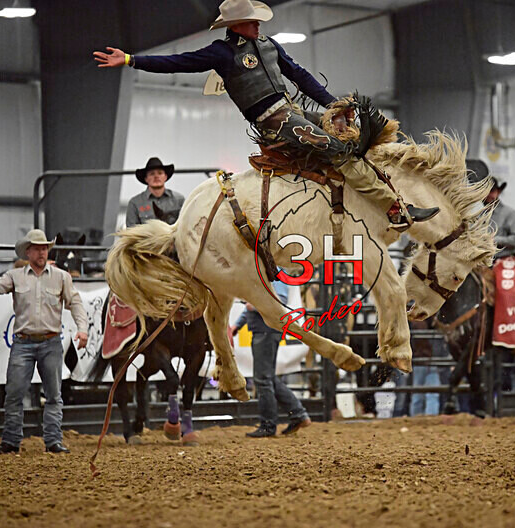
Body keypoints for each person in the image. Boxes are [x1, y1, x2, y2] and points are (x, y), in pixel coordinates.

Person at [94, 0, 438, 230]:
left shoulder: (271, 46)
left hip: (292, 110)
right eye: (253, 21)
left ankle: (375, 196)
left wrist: (335, 106)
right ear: (238, 25)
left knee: (350, 132)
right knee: (339, 148)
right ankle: (394, 209)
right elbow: (176, 62)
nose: (259, 24)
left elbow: (300, 76)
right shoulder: (221, 53)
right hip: (273, 121)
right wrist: (130, 59)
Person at [0, 230, 89, 454]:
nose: (42, 252)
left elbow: (76, 304)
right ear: (28, 252)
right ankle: (11, 440)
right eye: (37, 248)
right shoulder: (15, 276)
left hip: (50, 342)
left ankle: (53, 441)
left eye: (44, 248)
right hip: (24, 342)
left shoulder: (61, 276)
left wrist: (82, 329)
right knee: (14, 393)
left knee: (53, 395)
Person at [230, 280, 311, 437]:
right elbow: (253, 305)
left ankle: (269, 425)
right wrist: (238, 325)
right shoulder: (267, 274)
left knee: (263, 379)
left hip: (266, 331)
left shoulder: (274, 275)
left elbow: (279, 301)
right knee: (267, 377)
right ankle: (298, 415)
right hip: (265, 330)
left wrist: (253, 306)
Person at [480, 170, 515, 391]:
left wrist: (495, 239)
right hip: (482, 262)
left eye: (492, 190)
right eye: (486, 191)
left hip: (504, 261)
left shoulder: (510, 214)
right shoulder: (478, 215)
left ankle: (510, 332)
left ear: (498, 191)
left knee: (507, 293)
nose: (489, 195)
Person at [126, 157, 186, 227]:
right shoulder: (135, 203)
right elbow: (132, 233)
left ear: (165, 177)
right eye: (152, 174)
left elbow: (185, 226)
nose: (156, 176)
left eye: (160, 173)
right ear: (146, 179)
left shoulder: (179, 200)